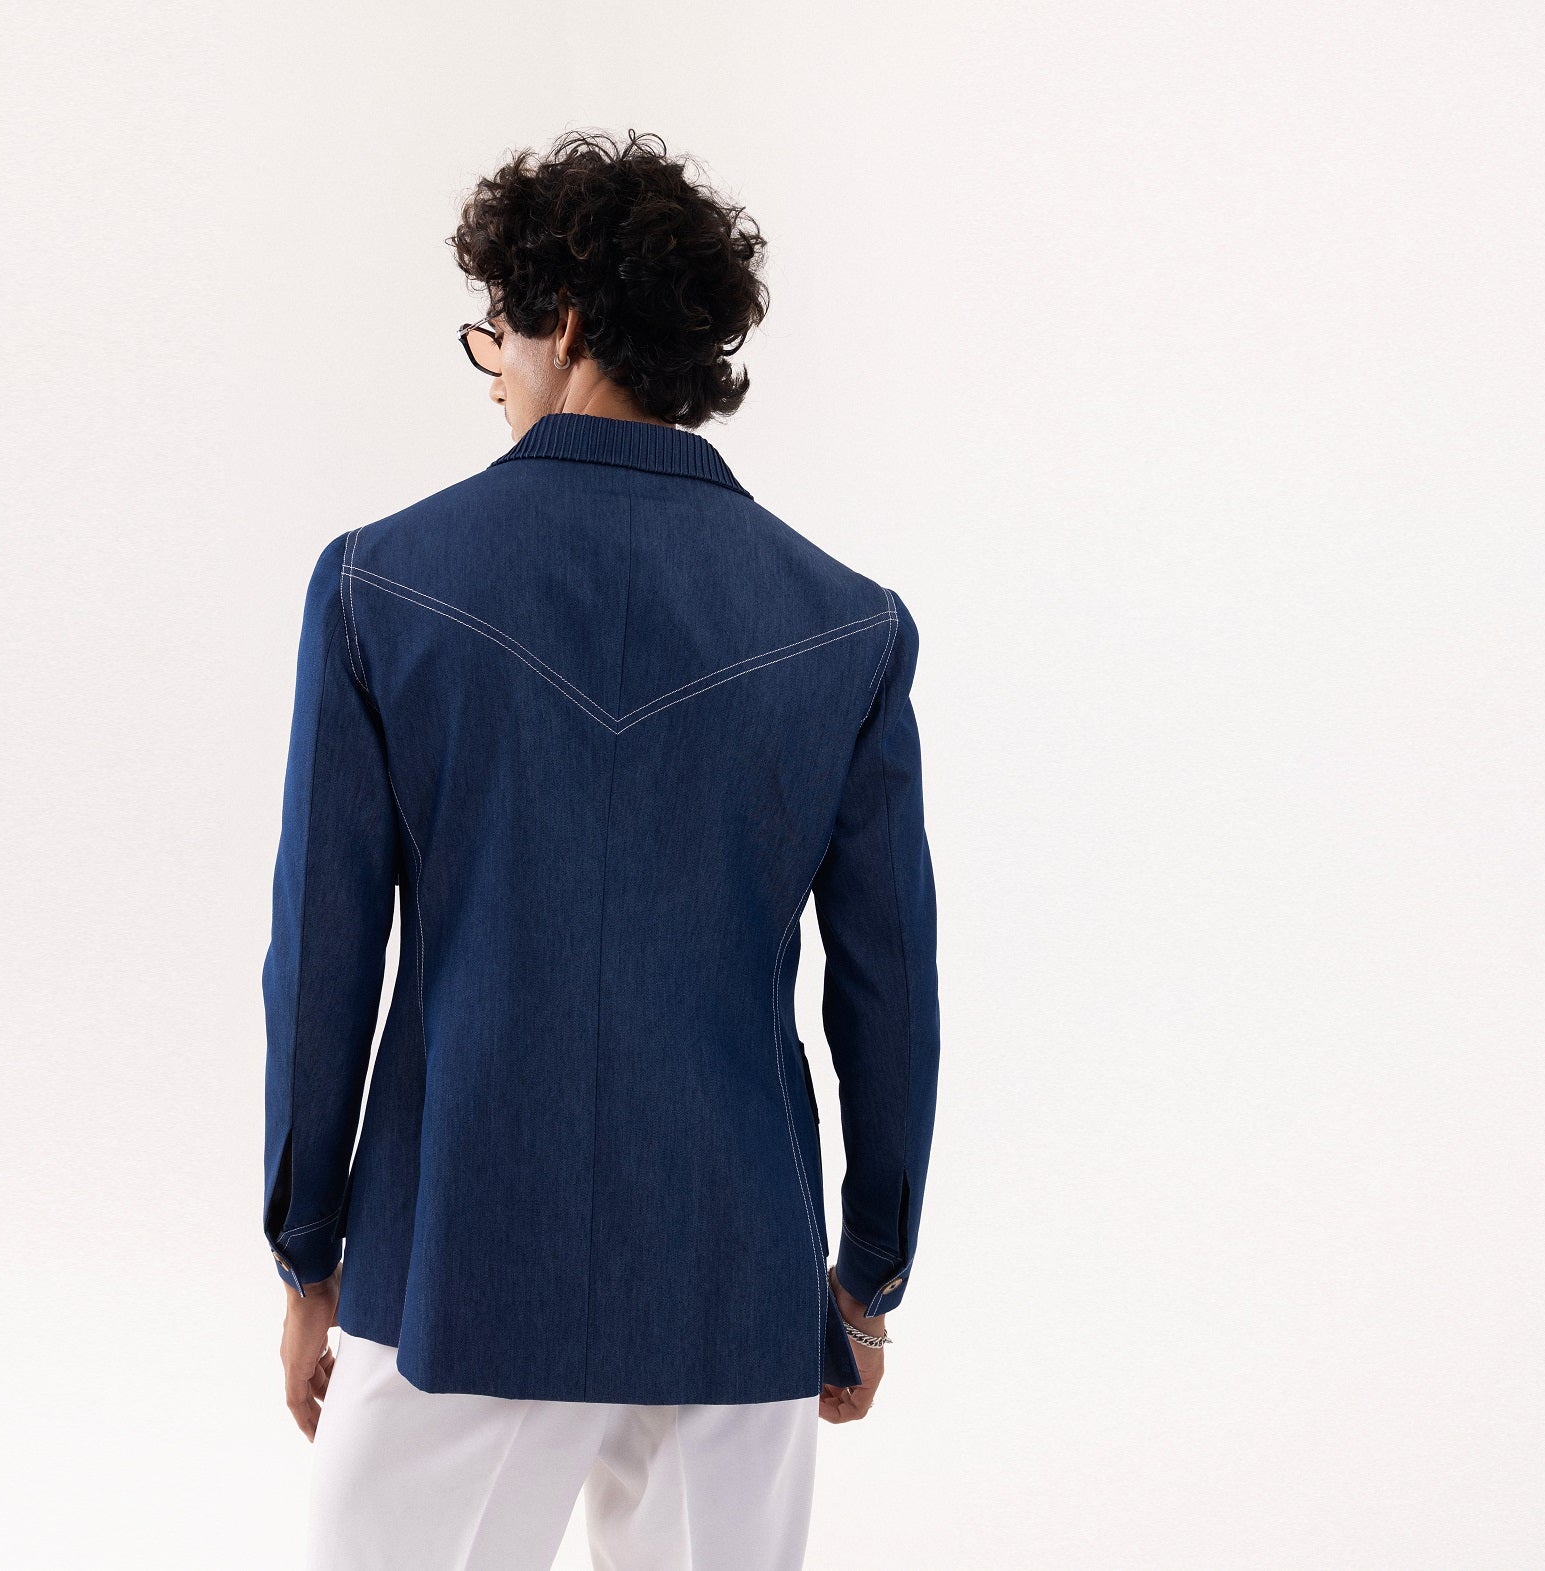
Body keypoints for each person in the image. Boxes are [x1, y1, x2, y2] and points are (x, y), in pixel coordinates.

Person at [260, 129, 941, 1571]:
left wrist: (307, 1251)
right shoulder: (850, 625)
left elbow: (324, 958)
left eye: (494, 336)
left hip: (453, 1259)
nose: (491, 373)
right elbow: (888, 991)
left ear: (563, 324)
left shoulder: (380, 585)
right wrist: (868, 1277)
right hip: (735, 1265)